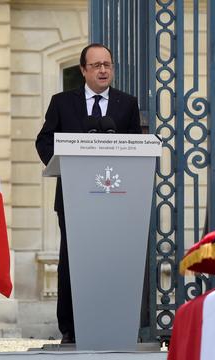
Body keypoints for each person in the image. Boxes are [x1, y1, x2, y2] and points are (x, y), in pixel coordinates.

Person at [35, 43, 142, 344]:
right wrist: (65, 165)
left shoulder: (127, 104)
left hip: (117, 199)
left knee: (114, 259)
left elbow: (136, 148)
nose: (103, 70)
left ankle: (116, 322)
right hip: (73, 199)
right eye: (96, 65)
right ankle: (70, 327)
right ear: (83, 70)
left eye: (107, 64)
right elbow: (44, 142)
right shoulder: (62, 102)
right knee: (73, 261)